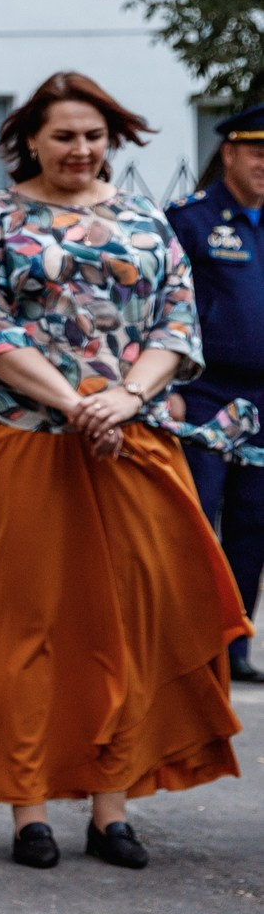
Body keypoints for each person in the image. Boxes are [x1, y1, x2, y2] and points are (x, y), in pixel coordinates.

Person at [0, 72, 249, 872]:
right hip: (26, 436)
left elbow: (177, 325)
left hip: (130, 440)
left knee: (131, 618)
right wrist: (76, 403)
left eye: (92, 135)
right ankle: (29, 807)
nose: (79, 149)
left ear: (111, 139)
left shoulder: (148, 221)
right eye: (63, 136)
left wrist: (124, 397)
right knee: (26, 621)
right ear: (30, 141)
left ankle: (112, 808)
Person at [168, 105, 264, 684]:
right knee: (195, 522)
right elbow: (155, 305)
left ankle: (234, 647)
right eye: (257, 153)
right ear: (229, 153)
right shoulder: (190, 220)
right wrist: (169, 386)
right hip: (202, 394)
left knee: (255, 522)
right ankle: (187, 646)